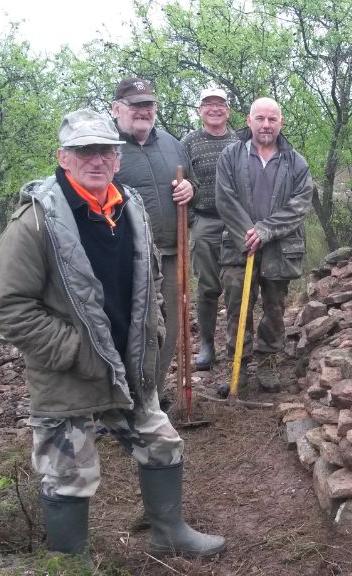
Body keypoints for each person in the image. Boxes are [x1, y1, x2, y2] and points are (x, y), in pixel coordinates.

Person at [0, 109, 226, 559]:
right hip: (68, 373)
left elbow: (147, 282)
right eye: (84, 151)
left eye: (105, 151)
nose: (96, 159)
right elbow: (7, 306)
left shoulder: (128, 207)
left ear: (117, 159)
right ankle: (73, 564)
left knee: (162, 444)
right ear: (64, 157)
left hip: (128, 367)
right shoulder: (35, 222)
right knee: (68, 474)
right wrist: (74, 351)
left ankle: (168, 532)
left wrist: (151, 334)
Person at [215, 97, 314, 397]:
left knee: (274, 307)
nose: (266, 125)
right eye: (260, 118)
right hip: (238, 245)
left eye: (272, 119)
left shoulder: (295, 161)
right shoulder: (230, 156)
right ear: (249, 120)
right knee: (236, 307)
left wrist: (265, 230)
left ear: (281, 122)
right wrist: (247, 232)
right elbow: (224, 197)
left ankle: (268, 360)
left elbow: (301, 203)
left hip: (279, 248)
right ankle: (238, 364)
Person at [111, 77, 195, 409]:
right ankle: (123, 400)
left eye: (149, 105)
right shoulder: (106, 149)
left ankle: (151, 399)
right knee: (135, 332)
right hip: (126, 258)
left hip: (172, 253)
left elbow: (193, 185)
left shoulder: (173, 145)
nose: (143, 112)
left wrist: (191, 190)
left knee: (170, 329)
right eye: (135, 106)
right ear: (117, 109)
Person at [181, 87, 240, 371]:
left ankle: (237, 344)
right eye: (208, 104)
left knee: (237, 285)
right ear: (200, 110)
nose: (214, 109)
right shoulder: (189, 142)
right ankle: (206, 344)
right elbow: (179, 182)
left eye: (220, 104)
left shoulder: (240, 140)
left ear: (228, 110)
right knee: (207, 287)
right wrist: (192, 218)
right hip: (204, 220)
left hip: (236, 222)